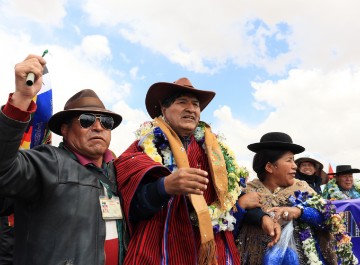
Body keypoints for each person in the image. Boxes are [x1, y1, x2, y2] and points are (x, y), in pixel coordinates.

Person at [114, 78, 280, 265]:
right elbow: (129, 204)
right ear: (163, 109)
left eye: (195, 104)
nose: (191, 109)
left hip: (211, 252)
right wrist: (164, 187)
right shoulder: (143, 148)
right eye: (182, 102)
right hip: (160, 251)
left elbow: (234, 197)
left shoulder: (217, 151)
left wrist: (262, 217)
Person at [0, 54, 126, 265]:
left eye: (106, 122)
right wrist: (21, 98)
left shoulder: (116, 171)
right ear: (65, 129)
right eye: (86, 120)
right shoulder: (48, 163)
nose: (98, 127)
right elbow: (3, 169)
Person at [236, 132, 348, 265]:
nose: (295, 166)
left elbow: (329, 220)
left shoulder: (302, 188)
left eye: (294, 160)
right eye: (289, 160)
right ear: (269, 167)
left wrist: (299, 211)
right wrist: (242, 207)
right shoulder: (247, 193)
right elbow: (230, 230)